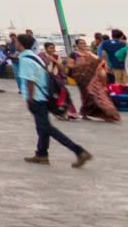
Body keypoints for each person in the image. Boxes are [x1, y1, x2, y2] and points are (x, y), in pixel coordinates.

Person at [16, 33, 92, 168]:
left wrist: (30, 99)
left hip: (37, 98)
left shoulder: (25, 60)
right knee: (42, 127)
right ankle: (41, 154)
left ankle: (79, 151)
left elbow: (29, 81)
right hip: (45, 95)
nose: (15, 44)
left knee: (47, 128)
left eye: (16, 42)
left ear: (21, 44)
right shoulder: (34, 56)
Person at [68, 39, 121, 123]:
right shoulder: (74, 54)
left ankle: (103, 112)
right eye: (81, 43)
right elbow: (70, 65)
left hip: (91, 77)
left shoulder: (89, 53)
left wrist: (102, 63)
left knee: (95, 94)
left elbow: (99, 60)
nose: (83, 45)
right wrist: (82, 65)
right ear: (77, 45)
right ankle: (85, 112)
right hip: (81, 77)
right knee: (85, 94)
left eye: (84, 43)